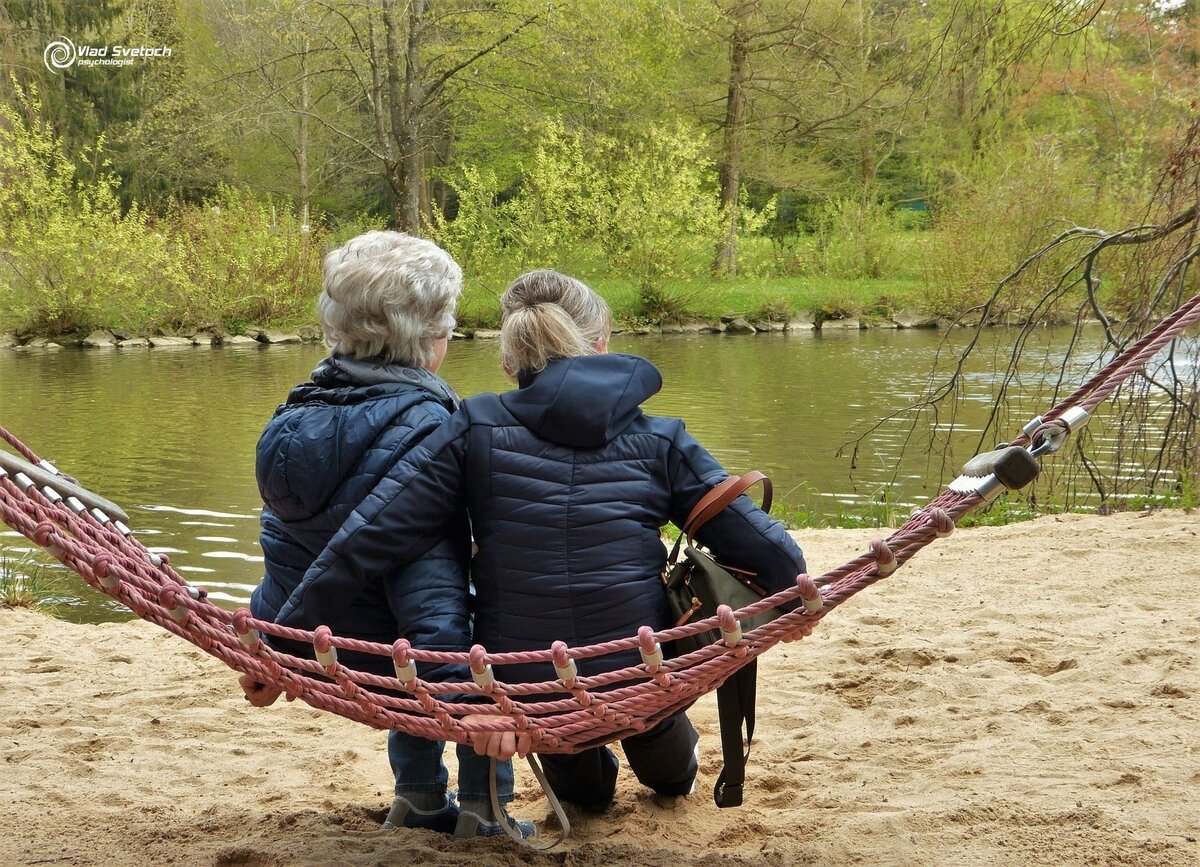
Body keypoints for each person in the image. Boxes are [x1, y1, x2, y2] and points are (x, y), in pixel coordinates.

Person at [276, 269, 806, 810]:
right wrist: (797, 600)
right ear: (601, 345)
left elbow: (370, 538)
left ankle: (591, 774)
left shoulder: (473, 424)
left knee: (584, 795)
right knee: (663, 749)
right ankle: (666, 761)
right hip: (640, 664)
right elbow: (766, 550)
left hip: (529, 682)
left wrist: (280, 643)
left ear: (510, 361)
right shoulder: (661, 437)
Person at [240, 230, 530, 838]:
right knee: (493, 622)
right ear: (429, 338)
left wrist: (272, 640)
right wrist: (467, 703)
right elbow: (430, 587)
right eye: (447, 326)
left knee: (408, 631)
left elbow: (288, 544)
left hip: (316, 637)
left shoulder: (294, 413)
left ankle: (418, 796)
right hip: (392, 649)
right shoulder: (432, 426)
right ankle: (487, 810)